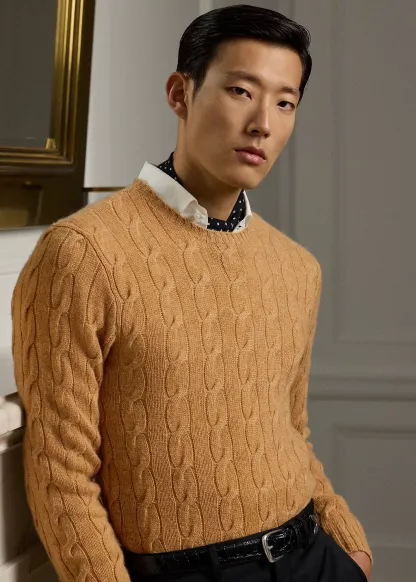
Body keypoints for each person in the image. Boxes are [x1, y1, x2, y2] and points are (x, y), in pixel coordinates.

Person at [11, 4, 372, 582]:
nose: (263, 123)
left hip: (314, 554)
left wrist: (349, 545)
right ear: (180, 94)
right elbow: (61, 471)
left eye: (285, 102)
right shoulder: (82, 253)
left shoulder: (296, 268)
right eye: (240, 91)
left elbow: (290, 429)